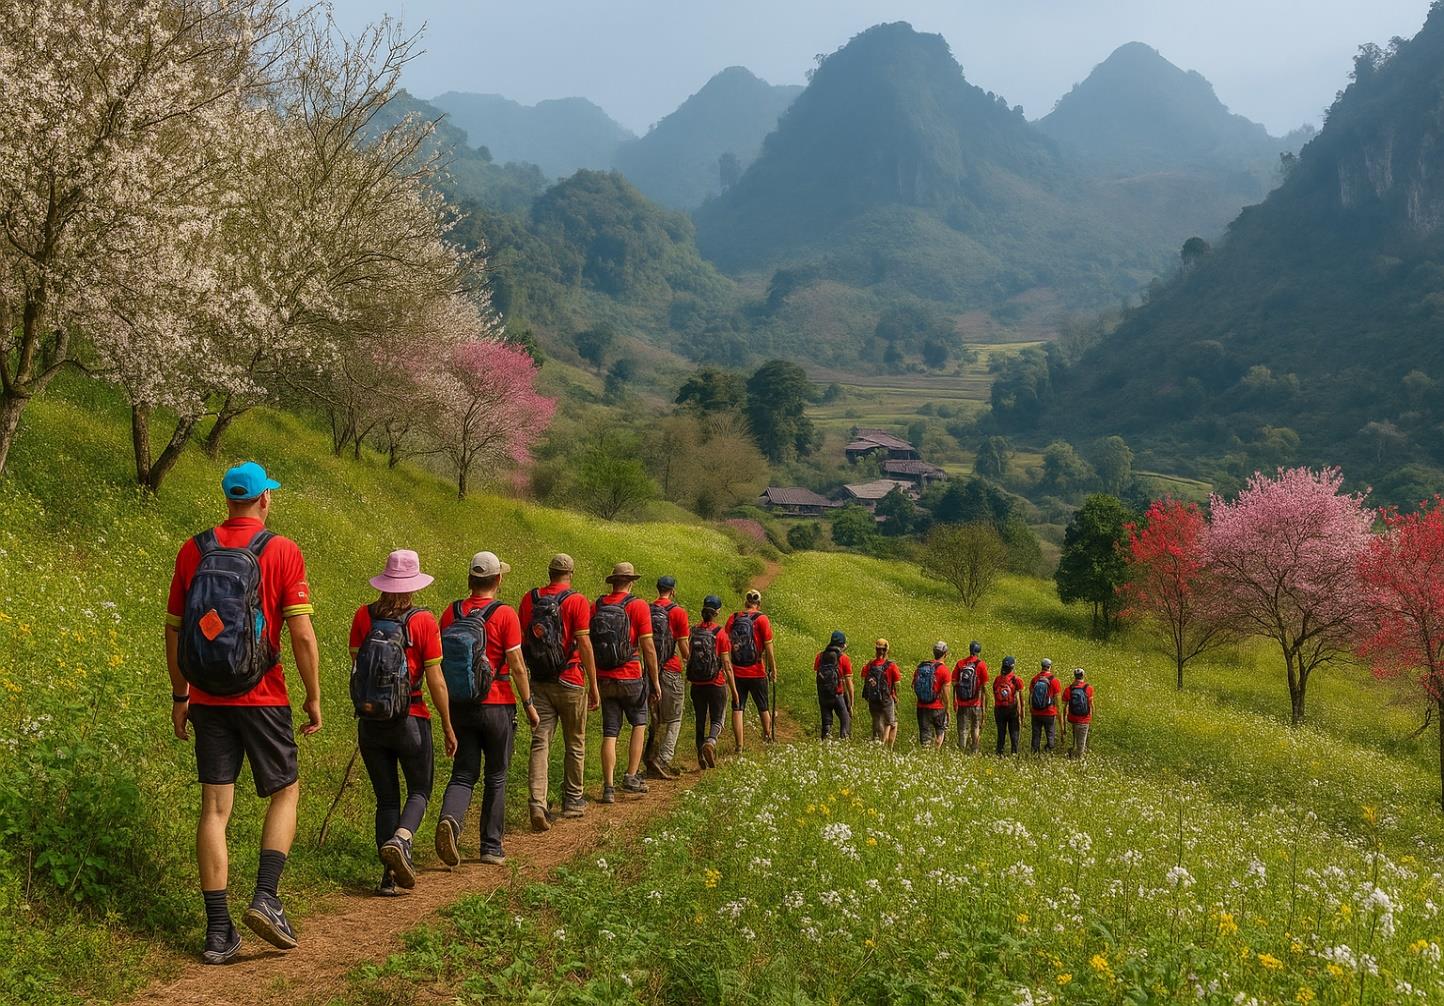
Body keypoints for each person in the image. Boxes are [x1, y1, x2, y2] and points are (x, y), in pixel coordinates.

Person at [166, 462, 321, 964]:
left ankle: (217, 933)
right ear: (263, 500)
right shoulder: (281, 550)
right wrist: (313, 696)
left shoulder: (194, 549)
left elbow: (173, 629)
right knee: (285, 791)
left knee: (214, 809)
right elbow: (300, 634)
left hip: (208, 697)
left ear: (228, 499)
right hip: (263, 695)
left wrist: (180, 695)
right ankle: (267, 898)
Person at [348, 550, 457, 895]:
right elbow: (436, 679)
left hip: (371, 722)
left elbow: (359, 669)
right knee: (421, 790)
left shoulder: (363, 616)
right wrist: (448, 725)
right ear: (413, 586)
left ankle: (388, 878)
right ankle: (403, 839)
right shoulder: (422, 622)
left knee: (386, 800)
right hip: (411, 718)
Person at [435, 551, 541, 870]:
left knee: (464, 773)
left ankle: (450, 821)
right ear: (497, 579)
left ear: (471, 579)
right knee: (496, 775)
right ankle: (491, 846)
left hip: (461, 705)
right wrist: (529, 704)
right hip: (498, 704)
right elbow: (517, 666)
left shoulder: (450, 613)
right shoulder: (504, 614)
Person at [520, 554, 599, 830]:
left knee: (540, 742)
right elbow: (584, 644)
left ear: (549, 572)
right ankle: (573, 800)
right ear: (571, 573)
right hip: (571, 679)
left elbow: (523, 642)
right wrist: (594, 685)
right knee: (575, 741)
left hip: (540, 681)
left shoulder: (530, 599)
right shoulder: (577, 601)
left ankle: (537, 802)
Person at [590, 562, 661, 803]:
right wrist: (655, 680)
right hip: (630, 675)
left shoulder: (597, 605)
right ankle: (631, 775)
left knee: (610, 731)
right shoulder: (638, 605)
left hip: (605, 677)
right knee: (639, 723)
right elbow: (648, 648)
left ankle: (608, 787)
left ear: (613, 582)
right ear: (631, 582)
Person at [644, 575, 690, 779]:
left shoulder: (646, 609)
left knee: (655, 717)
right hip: (671, 669)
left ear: (657, 588)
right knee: (674, 717)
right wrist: (690, 660)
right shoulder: (678, 612)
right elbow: (683, 647)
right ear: (673, 590)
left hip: (649, 669)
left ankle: (650, 757)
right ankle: (663, 759)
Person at [684, 595, 736, 768]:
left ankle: (700, 754)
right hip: (716, 683)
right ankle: (711, 741)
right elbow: (727, 664)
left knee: (700, 719)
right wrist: (734, 691)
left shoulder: (694, 631)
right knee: (717, 718)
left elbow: (690, 657)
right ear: (717, 612)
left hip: (697, 684)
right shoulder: (720, 633)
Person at [726, 589, 777, 749]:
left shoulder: (733, 618)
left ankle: (739, 746)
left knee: (737, 707)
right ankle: (768, 738)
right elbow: (768, 647)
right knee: (763, 706)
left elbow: (725, 644)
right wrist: (773, 669)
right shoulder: (762, 619)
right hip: (757, 670)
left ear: (745, 602)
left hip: (736, 670)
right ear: (759, 604)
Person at [860, 639, 901, 747]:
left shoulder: (870, 665)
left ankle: (877, 743)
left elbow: (863, 676)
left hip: (873, 699)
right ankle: (887, 747)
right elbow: (897, 683)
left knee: (877, 722)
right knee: (891, 723)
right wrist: (896, 696)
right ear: (886, 650)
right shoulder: (891, 665)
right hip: (887, 698)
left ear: (876, 649)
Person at [815, 630, 853, 740]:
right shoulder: (844, 658)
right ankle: (844, 742)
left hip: (823, 694)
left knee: (827, 722)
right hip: (838, 694)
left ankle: (825, 743)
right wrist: (851, 702)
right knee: (845, 719)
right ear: (842, 644)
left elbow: (818, 673)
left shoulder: (820, 656)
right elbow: (848, 682)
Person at [913, 641, 952, 748]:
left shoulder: (921, 667)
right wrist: (947, 709)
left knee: (925, 734)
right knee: (940, 731)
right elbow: (945, 693)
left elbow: (914, 685)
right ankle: (936, 753)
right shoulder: (944, 670)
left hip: (922, 706)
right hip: (938, 707)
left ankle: (926, 754)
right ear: (945, 654)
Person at [953, 641, 989, 753]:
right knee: (975, 728)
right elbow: (984, 687)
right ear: (979, 652)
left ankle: (961, 751)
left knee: (963, 729)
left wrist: (955, 700)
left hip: (962, 703)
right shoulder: (981, 664)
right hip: (976, 704)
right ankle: (975, 751)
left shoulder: (960, 663)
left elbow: (954, 683)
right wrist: (984, 706)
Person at [1028, 658, 1063, 754]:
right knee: (1050, 734)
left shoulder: (1035, 679)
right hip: (1049, 712)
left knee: (1036, 735)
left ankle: (1034, 754)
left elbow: (1031, 696)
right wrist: (1058, 713)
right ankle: (1048, 752)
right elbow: (1057, 698)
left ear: (1041, 666)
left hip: (1036, 712)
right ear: (1050, 667)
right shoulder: (1054, 680)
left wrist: (1031, 709)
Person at [993, 656, 1024, 756]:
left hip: (999, 710)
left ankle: (999, 753)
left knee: (1001, 733)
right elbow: (1020, 699)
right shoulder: (1016, 680)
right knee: (1014, 732)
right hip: (1012, 710)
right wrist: (1021, 713)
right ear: (1012, 667)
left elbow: (995, 693)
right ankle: (1014, 753)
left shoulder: (997, 679)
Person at [1062, 668, 1094, 759]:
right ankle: (1078, 760)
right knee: (1081, 745)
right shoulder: (1089, 688)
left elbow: (1065, 707)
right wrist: (1091, 718)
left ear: (1074, 676)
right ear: (1083, 675)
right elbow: (1091, 705)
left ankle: (1072, 755)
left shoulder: (1069, 689)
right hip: (1085, 719)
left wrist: (1064, 723)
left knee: (1076, 739)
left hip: (1073, 718)